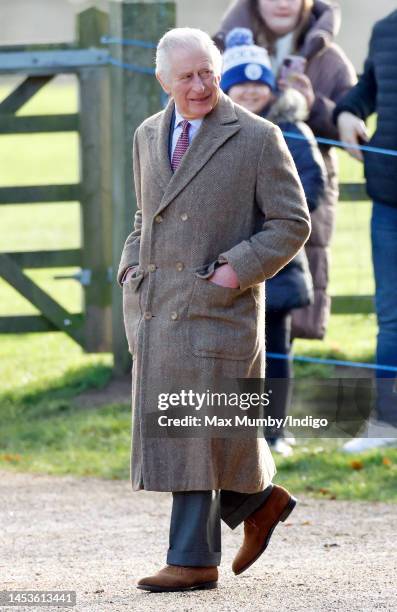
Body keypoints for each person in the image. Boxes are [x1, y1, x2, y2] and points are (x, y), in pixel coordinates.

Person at [118, 27, 311, 592]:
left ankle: (194, 559)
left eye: (208, 71)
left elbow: (292, 223)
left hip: (218, 307)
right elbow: (144, 215)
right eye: (187, 76)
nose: (201, 85)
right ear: (163, 80)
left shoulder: (257, 137)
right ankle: (259, 500)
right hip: (157, 309)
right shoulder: (147, 133)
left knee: (197, 428)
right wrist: (131, 264)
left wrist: (237, 269)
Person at [215, 0, 356, 344]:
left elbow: (349, 125)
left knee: (285, 294)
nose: (281, 3)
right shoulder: (215, 47)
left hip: (301, 184)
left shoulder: (330, 58)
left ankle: (275, 387)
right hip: (226, 206)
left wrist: (313, 107)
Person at [221, 27, 326, 456]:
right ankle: (237, 433)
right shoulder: (216, 133)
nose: (249, 93)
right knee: (233, 351)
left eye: (257, 83)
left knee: (276, 352)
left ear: (271, 87)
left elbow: (311, 188)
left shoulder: (292, 132)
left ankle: (275, 433)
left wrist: (263, 214)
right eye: (239, 84)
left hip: (278, 263)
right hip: (226, 262)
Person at [333, 10, 397, 453]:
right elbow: (371, 88)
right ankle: (387, 423)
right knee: (391, 318)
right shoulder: (386, 29)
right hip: (389, 197)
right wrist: (346, 112)